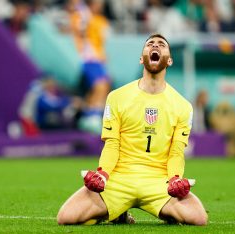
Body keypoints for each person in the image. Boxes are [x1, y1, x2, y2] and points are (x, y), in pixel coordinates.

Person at [57, 33, 208, 225]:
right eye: (150, 44)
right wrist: (102, 174)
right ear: (141, 58)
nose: (155, 46)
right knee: (66, 217)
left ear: (169, 60)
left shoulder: (183, 106)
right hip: (119, 179)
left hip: (158, 181)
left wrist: (175, 179)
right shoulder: (116, 97)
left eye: (161, 44)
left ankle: (125, 211)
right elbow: (112, 145)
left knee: (198, 218)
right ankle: (117, 211)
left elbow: (176, 152)